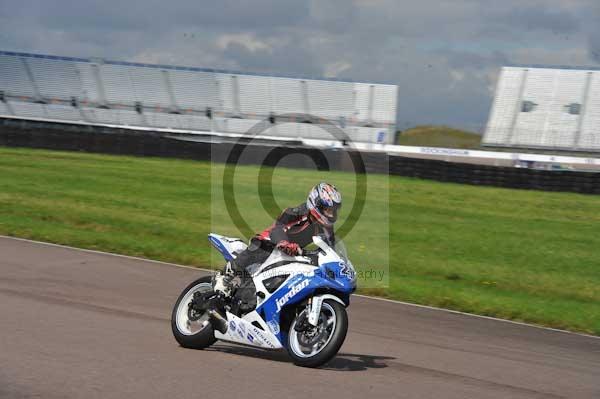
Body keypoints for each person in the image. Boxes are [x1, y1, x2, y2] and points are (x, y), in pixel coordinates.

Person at [213, 182, 342, 298]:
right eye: (328, 210)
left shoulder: (326, 227)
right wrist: (284, 243)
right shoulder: (297, 212)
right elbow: (277, 228)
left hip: (290, 256)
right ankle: (225, 276)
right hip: (271, 243)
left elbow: (330, 250)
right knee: (261, 247)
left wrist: (338, 266)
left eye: (334, 210)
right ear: (316, 203)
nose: (331, 214)